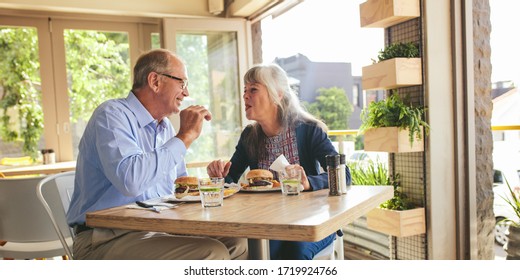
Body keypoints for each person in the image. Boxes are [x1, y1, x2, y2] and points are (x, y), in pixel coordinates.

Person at [66, 49, 248, 260]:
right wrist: (185, 137)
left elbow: (180, 189)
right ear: (155, 81)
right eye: (182, 83)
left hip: (156, 228)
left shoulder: (165, 129)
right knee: (211, 253)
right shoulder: (111, 115)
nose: (186, 93)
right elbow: (131, 181)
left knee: (236, 242)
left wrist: (215, 183)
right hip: (104, 239)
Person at [206, 63, 351, 260]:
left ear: (278, 94)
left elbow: (345, 175)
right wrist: (219, 177)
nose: (245, 96)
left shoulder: (309, 130)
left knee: (293, 253)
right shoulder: (249, 136)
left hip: (311, 222)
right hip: (267, 223)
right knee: (259, 254)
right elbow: (231, 179)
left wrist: (308, 182)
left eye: (253, 89)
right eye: (245, 90)